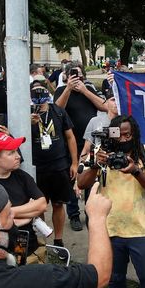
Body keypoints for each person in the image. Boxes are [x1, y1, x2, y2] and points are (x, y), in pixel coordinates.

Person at [78, 115, 145, 288]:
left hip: (142, 227)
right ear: (111, 134)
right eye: (119, 134)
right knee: (114, 277)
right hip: (110, 228)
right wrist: (97, 165)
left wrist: (135, 170)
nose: (124, 138)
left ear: (135, 133)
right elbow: (82, 183)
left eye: (128, 134)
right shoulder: (100, 153)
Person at [0, 133, 48, 263]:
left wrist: (9, 213)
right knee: (10, 276)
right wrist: (27, 213)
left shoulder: (21, 176)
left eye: (17, 151)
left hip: (24, 242)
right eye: (11, 153)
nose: (18, 156)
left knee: (24, 268)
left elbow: (42, 205)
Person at [29, 82, 79, 255]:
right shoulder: (24, 113)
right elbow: (18, 138)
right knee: (39, 206)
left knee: (59, 203)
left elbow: (70, 137)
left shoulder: (58, 111)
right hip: (36, 168)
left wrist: (74, 163)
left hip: (59, 165)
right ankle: (42, 241)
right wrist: (29, 124)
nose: (38, 96)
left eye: (41, 92)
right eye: (34, 93)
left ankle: (58, 240)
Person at [55, 61, 105, 231]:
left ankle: (90, 212)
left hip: (90, 141)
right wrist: (68, 89)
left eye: (79, 74)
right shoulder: (62, 91)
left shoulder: (88, 89)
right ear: (67, 77)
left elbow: (103, 106)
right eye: (73, 75)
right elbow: (57, 109)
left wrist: (84, 90)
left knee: (90, 176)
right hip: (71, 142)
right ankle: (74, 214)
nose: (77, 78)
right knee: (72, 176)